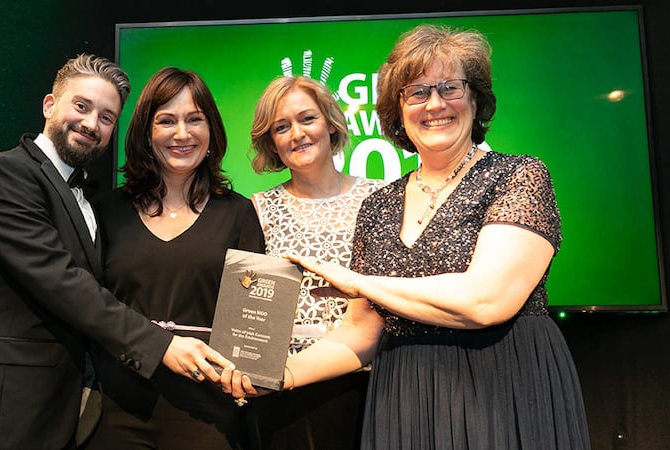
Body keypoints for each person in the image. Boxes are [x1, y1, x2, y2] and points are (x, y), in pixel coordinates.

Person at [224, 24, 591, 449]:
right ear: (398, 110)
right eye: (417, 92)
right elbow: (359, 333)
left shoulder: (517, 175)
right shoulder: (379, 205)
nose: (434, 104)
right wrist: (279, 376)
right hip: (406, 396)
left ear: (475, 98)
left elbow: (486, 301)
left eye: (449, 87)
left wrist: (358, 282)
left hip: (505, 388)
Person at [0, 55, 234, 450]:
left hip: (50, 414)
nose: (90, 123)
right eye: (81, 106)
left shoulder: (90, 199)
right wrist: (161, 345)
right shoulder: (4, 174)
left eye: (106, 117)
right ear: (50, 105)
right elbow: (61, 281)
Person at [82, 67, 265, 450]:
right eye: (167, 120)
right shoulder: (106, 210)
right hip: (117, 409)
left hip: (209, 412)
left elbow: (253, 319)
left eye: (194, 120)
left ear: (212, 130)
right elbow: (87, 306)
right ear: (146, 134)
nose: (182, 134)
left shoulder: (239, 213)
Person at [244, 75, 385, 449]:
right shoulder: (257, 210)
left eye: (307, 119)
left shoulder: (381, 200)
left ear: (330, 122)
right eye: (281, 127)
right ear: (271, 142)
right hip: (282, 391)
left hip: (365, 383)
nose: (297, 134)